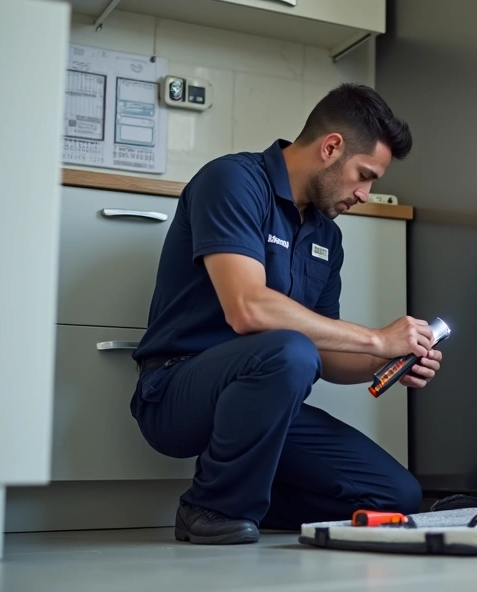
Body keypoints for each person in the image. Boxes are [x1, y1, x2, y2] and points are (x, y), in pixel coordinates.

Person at [129, 83, 442, 545]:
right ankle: (210, 507)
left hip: (269, 401)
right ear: (331, 147)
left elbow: (327, 351)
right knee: (289, 351)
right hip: (175, 389)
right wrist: (377, 338)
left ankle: (250, 495)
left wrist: (392, 359)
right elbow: (247, 309)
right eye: (364, 175)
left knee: (395, 497)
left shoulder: (326, 235)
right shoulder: (233, 181)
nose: (366, 193)